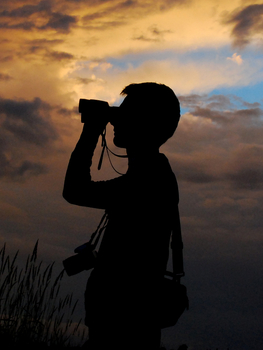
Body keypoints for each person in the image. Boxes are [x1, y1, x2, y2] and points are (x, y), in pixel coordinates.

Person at [63, 82, 181, 349]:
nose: (115, 121)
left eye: (124, 114)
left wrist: (91, 131)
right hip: (125, 324)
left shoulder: (149, 181)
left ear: (143, 123)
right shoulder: (151, 175)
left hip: (122, 329)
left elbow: (75, 191)